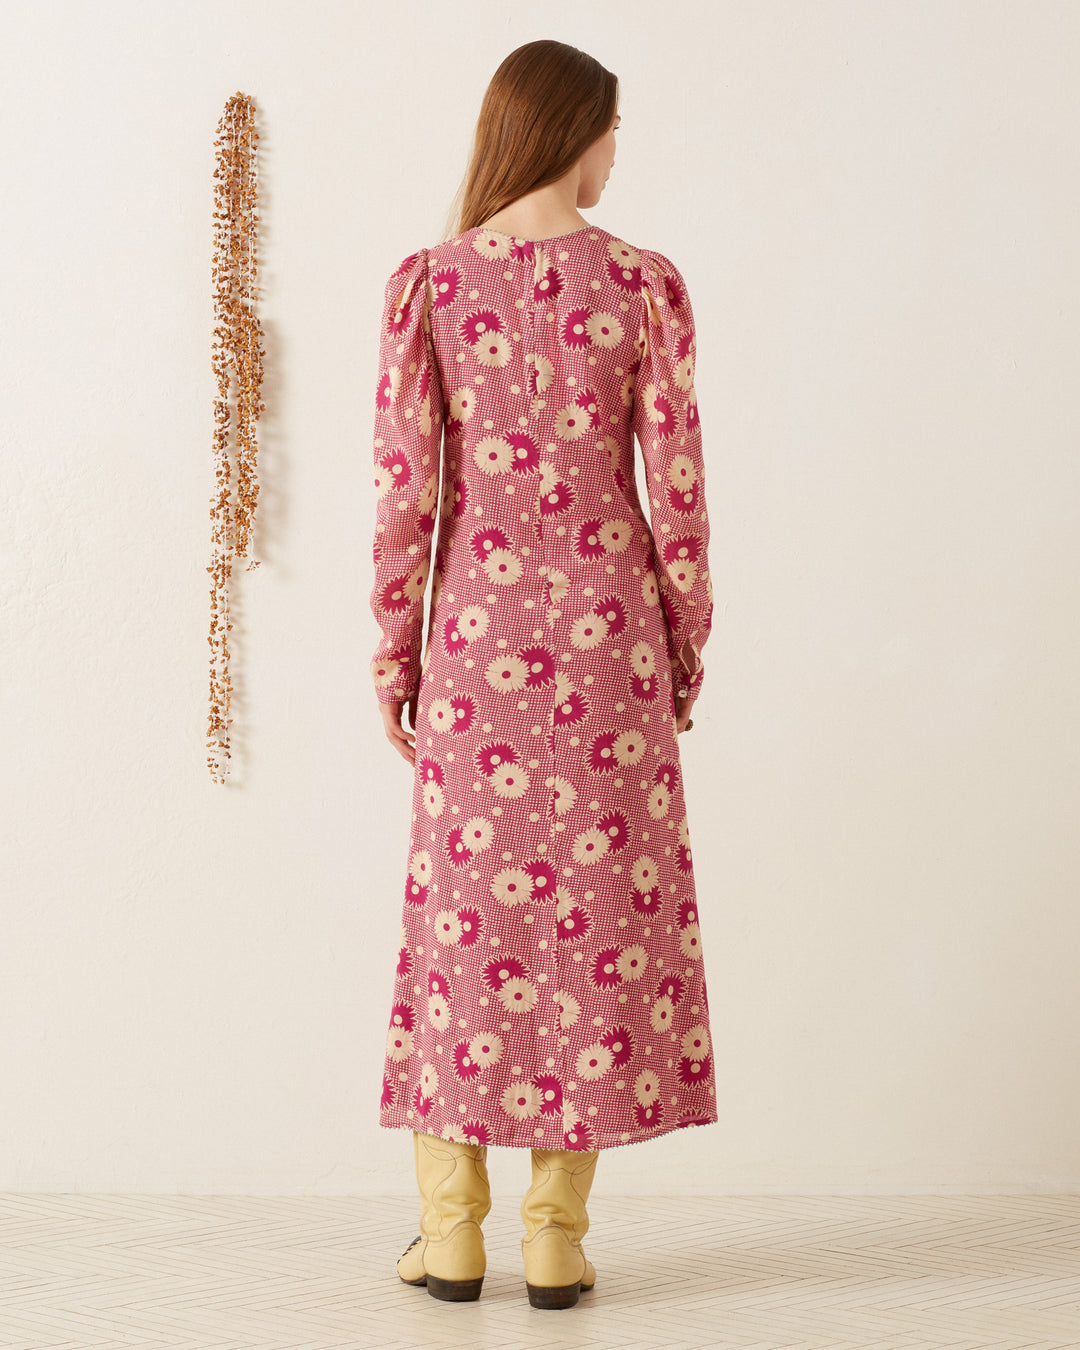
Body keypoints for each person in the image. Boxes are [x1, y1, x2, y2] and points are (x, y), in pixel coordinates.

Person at [369, 39, 717, 1310]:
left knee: (466, 922)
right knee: (596, 924)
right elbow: (674, 490)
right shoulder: (644, 286)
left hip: (476, 643)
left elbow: (408, 493)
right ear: (576, 131)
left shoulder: (434, 285)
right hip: (610, 640)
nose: (619, 153)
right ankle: (554, 1241)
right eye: (614, 129)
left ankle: (450, 1232)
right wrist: (686, 637)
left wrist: (391, 648)